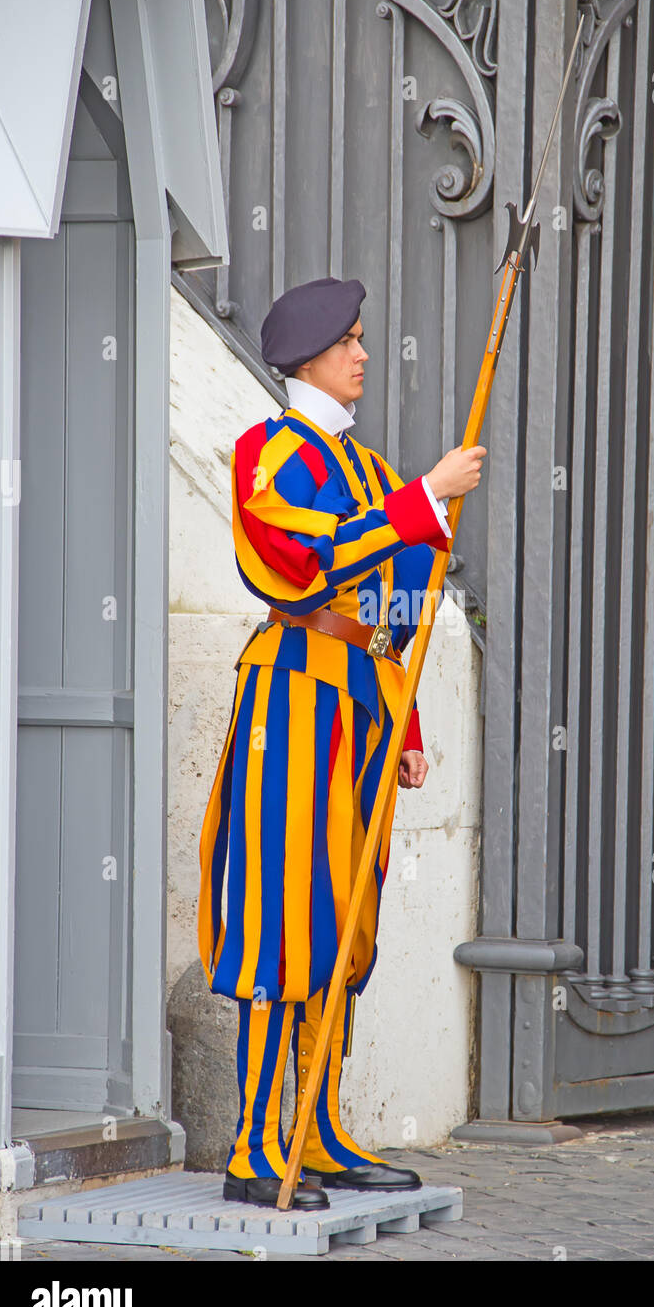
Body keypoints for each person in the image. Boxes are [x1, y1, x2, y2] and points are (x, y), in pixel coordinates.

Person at [198, 275, 486, 1209]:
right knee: (282, 921)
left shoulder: (364, 469)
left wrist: (400, 723)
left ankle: (315, 1131)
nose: (366, 354)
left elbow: (389, 611)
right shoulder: (266, 453)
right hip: (290, 702)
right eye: (352, 341)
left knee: (341, 923)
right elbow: (307, 559)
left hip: (354, 710)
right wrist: (422, 500)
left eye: (363, 339)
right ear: (311, 355)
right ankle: (253, 1151)